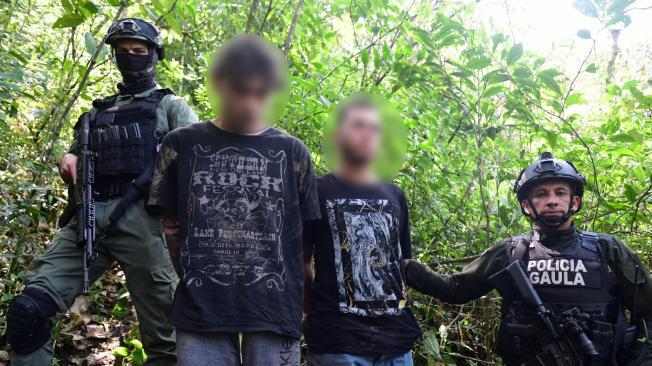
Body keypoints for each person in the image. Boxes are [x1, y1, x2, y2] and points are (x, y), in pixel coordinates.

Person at [6, 18, 198, 366]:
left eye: (139, 51)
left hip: (146, 225)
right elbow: (76, 158)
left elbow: (198, 164)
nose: (131, 57)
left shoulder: (171, 107)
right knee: (28, 312)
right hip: (88, 221)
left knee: (170, 344)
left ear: (154, 56)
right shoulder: (95, 112)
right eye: (122, 52)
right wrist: (68, 158)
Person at [147, 35, 321, 366]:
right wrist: (192, 275)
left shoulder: (293, 152)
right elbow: (171, 226)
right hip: (202, 303)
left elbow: (303, 243)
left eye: (261, 94)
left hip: (274, 306)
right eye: (241, 91)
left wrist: (306, 300)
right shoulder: (179, 145)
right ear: (220, 86)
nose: (251, 104)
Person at [406, 152, 652, 365]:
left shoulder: (608, 250)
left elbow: (649, 314)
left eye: (560, 192)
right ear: (527, 205)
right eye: (541, 194)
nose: (552, 200)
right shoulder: (511, 252)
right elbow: (456, 289)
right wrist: (408, 268)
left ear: (574, 201)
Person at [303, 96, 421, 366]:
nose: (368, 134)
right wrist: (311, 313)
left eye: (375, 128)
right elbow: (302, 262)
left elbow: (403, 263)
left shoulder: (394, 194)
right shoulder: (318, 191)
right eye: (358, 125)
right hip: (337, 340)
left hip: (396, 342)